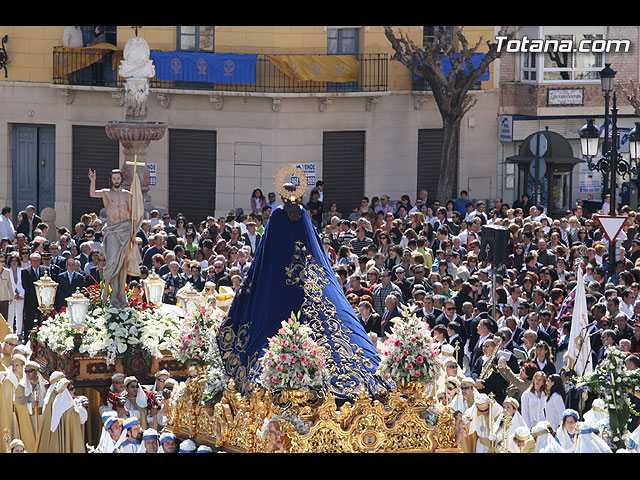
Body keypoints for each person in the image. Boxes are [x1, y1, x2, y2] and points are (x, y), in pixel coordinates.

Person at [89, 168, 143, 308]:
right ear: (111, 180)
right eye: (114, 178)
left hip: (125, 229)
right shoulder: (107, 193)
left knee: (123, 263)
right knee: (112, 260)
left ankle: (121, 294)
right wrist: (93, 181)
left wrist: (133, 233)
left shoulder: (128, 195)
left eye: (118, 178)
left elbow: (132, 215)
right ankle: (106, 289)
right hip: (112, 230)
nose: (116, 181)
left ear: (122, 179)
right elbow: (93, 193)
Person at [13, 360, 46, 453]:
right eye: (26, 371)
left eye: (30, 371)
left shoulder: (45, 384)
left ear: (36, 371)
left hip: (42, 418)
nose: (27, 374)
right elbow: (18, 404)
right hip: (30, 419)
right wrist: (30, 405)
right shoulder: (22, 386)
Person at [5, 255, 24, 337]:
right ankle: (10, 332)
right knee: (10, 314)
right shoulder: (7, 271)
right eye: (12, 260)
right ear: (9, 262)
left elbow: (24, 284)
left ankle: (19, 332)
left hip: (21, 295)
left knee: (19, 314)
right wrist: (12, 295)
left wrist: (21, 294)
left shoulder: (22, 271)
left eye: (16, 260)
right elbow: (7, 285)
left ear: (18, 262)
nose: (14, 262)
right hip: (10, 296)